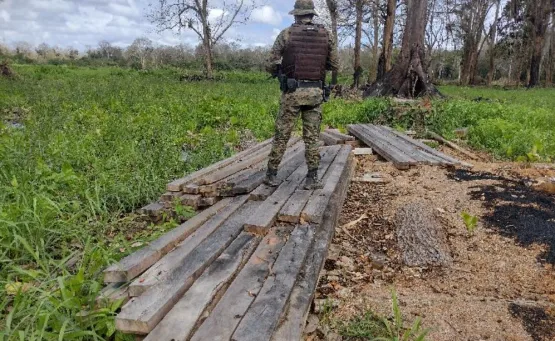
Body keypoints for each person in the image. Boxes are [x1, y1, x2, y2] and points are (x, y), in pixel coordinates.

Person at [264, 0, 339, 190]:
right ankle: (312, 178)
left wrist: (279, 70)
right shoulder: (326, 35)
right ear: (312, 15)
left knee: (283, 133)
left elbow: (270, 64)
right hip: (315, 93)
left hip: (292, 93)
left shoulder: (287, 34)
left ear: (296, 15)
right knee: (312, 136)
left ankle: (271, 175)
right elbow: (335, 65)